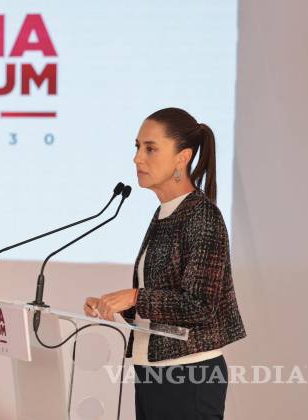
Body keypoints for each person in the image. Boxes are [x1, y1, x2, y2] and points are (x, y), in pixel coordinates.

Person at [83, 107, 247, 420]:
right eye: (137, 147)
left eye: (150, 149)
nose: (137, 158)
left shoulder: (202, 216)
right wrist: (115, 305)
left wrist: (135, 297)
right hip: (151, 371)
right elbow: (163, 302)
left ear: (182, 158)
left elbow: (200, 306)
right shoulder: (165, 213)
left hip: (189, 376)